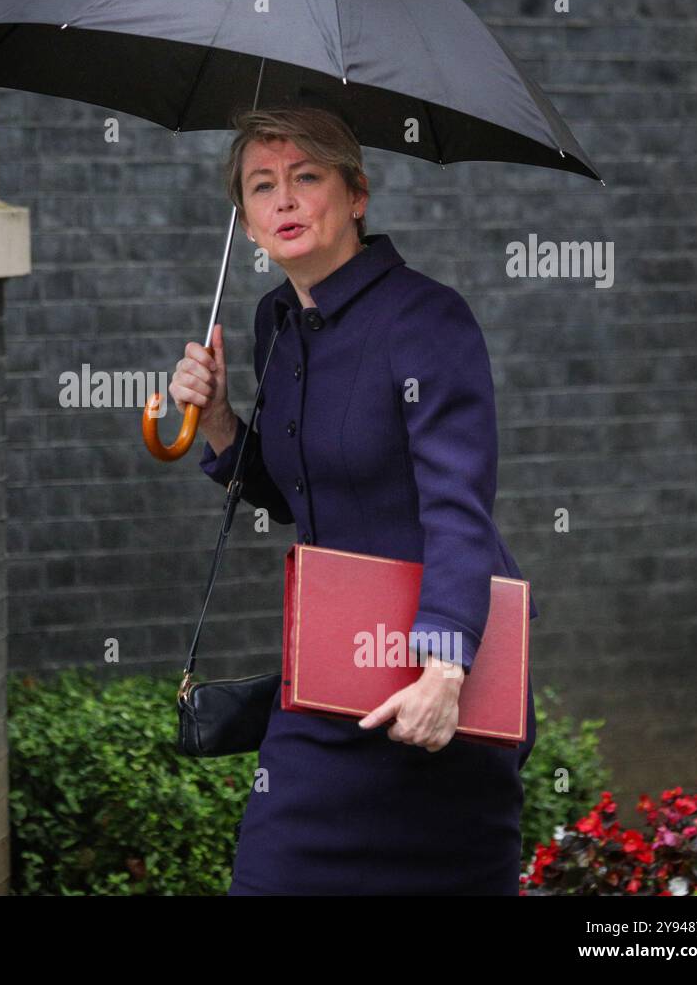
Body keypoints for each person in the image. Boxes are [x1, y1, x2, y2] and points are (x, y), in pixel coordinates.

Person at [169, 106, 538, 895]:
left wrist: (444, 674)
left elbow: (457, 505)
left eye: (307, 177)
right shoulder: (278, 324)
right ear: (247, 220)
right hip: (330, 674)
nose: (286, 201)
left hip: (443, 677)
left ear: (357, 194)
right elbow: (296, 494)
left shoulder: (427, 318)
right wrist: (223, 418)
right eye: (262, 187)